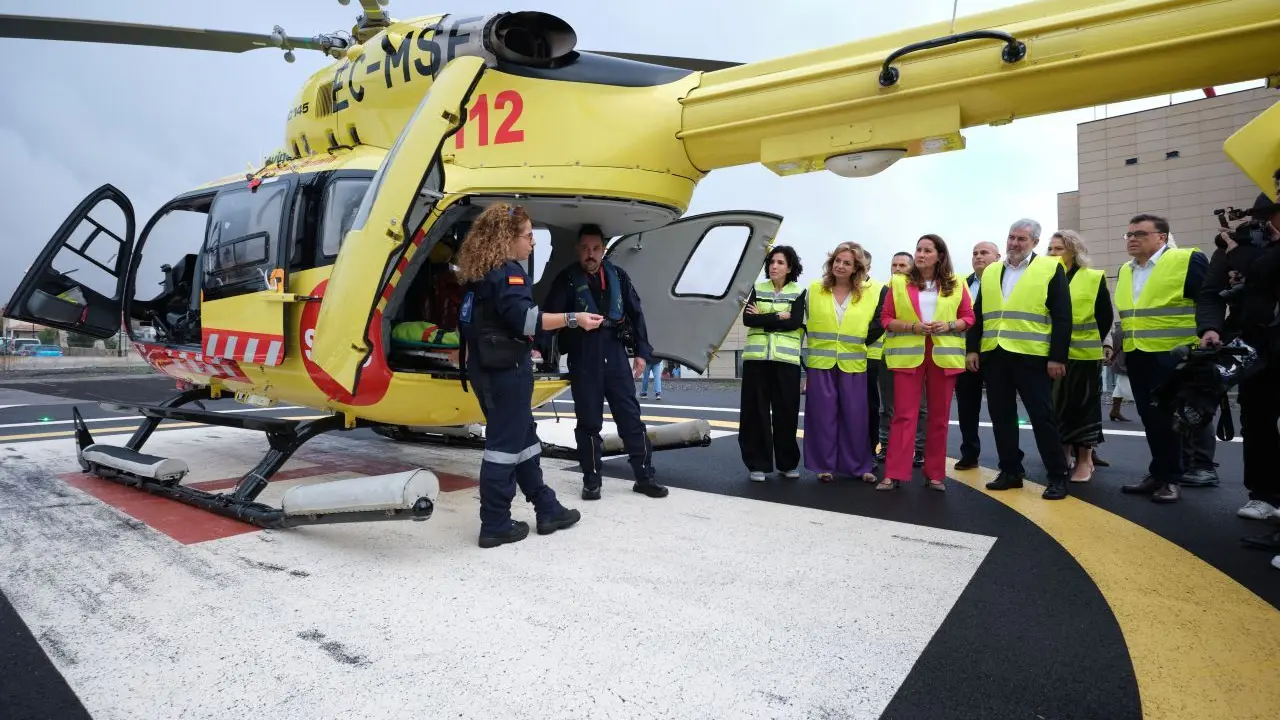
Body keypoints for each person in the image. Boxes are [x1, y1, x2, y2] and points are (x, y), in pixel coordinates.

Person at [454, 203, 593, 548]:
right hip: (507, 372)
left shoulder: (479, 275)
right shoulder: (509, 273)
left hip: (485, 370)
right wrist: (574, 318)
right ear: (507, 239)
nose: (532, 242)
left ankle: (547, 507)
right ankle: (495, 523)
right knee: (503, 448)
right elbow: (527, 320)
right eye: (528, 235)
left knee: (524, 439)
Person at [545, 224, 670, 501]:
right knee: (588, 423)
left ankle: (644, 477)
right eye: (586, 249)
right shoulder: (566, 280)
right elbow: (548, 319)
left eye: (596, 249)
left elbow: (636, 314)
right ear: (578, 250)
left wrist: (641, 353)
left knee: (631, 419)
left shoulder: (619, 277)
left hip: (614, 353)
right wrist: (542, 354)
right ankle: (591, 481)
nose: (591, 254)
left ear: (603, 250)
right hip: (583, 354)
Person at [966, 218, 1073, 500]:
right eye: (1011, 237)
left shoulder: (1050, 267)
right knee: (1002, 417)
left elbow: (1063, 316)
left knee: (1042, 417)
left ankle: (1057, 475)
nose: (1014, 243)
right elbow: (978, 314)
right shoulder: (990, 272)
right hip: (995, 355)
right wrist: (972, 349)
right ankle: (1011, 471)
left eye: (1021, 239)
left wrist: (1057, 357)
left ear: (1035, 242)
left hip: (1033, 357)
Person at [1198, 185, 1280, 535]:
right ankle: (1263, 494)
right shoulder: (1232, 246)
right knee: (1257, 419)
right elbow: (1211, 292)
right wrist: (1211, 328)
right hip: (1252, 343)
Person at [1113, 213, 1208, 504]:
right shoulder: (1126, 270)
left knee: (1172, 419)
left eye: (1139, 234)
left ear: (1161, 237)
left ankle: (1173, 479)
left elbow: (1208, 301)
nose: (1131, 239)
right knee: (1151, 418)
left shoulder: (1186, 260)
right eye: (1129, 234)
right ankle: (1159, 473)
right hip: (1139, 354)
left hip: (1174, 355)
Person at [878, 234, 974, 491]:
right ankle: (893, 473)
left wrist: (950, 325)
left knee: (939, 418)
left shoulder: (957, 283)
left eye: (927, 250)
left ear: (939, 255)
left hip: (943, 354)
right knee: (903, 415)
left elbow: (968, 317)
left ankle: (934, 475)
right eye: (918, 249)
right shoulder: (898, 283)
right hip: (909, 354)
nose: (920, 254)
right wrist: (913, 326)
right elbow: (886, 319)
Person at [802, 241, 886, 483]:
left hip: (853, 363)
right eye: (837, 261)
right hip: (821, 363)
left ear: (856, 267)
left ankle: (859, 467)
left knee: (855, 417)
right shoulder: (815, 289)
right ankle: (823, 466)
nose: (840, 265)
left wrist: (859, 344)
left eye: (846, 262)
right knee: (822, 416)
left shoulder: (872, 292)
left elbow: (877, 325)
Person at [1045, 230, 1113, 483]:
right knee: (1056, 407)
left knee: (1083, 406)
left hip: (1084, 355)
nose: (1053, 254)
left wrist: (1095, 343)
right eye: (1050, 249)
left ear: (1073, 250)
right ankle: (1063, 453)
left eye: (1058, 249)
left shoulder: (1093, 277)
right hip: (1050, 355)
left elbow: (1104, 316)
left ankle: (1085, 459)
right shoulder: (1043, 277)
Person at [739, 245, 807, 482]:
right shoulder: (758, 288)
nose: (774, 266)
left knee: (786, 412)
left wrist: (764, 319)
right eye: (771, 262)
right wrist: (779, 316)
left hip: (786, 361)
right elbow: (748, 319)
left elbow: (795, 322)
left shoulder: (799, 291)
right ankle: (757, 464)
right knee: (754, 413)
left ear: (789, 267)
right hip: (756, 360)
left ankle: (788, 464)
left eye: (779, 262)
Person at [875, 251, 926, 466]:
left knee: (921, 407)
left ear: (911, 268)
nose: (897, 268)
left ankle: (920, 449)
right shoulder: (886, 291)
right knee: (888, 407)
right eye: (894, 264)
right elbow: (880, 320)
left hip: (918, 356)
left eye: (902, 265)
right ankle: (886, 447)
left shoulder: (922, 291)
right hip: (891, 355)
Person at [954, 241, 1000, 470]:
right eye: (975, 253)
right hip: (964, 355)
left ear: (997, 257)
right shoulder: (962, 284)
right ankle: (970, 453)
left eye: (984, 252)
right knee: (966, 408)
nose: (978, 257)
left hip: (994, 354)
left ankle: (1008, 458)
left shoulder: (1005, 282)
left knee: (1000, 409)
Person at [861, 248, 884, 460]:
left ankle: (870, 449)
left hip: (869, 357)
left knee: (870, 406)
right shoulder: (840, 287)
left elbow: (879, 324)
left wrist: (854, 341)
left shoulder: (879, 289)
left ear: (868, 267)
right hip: (839, 358)